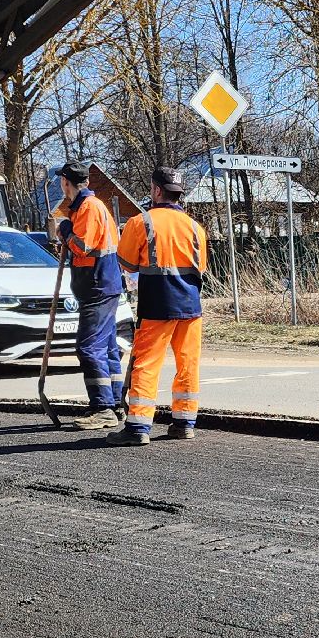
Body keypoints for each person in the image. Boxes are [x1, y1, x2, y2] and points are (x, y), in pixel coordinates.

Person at [110, 167, 208, 447]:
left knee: (146, 364)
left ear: (156, 190)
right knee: (187, 364)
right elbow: (200, 267)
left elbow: (127, 263)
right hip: (190, 306)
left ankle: (137, 427)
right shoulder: (195, 227)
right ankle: (184, 423)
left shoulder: (141, 223)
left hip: (156, 304)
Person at [55, 163, 124, 429]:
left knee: (89, 347)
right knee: (106, 348)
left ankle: (103, 408)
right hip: (101, 285)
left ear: (66, 182)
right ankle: (115, 404)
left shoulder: (88, 208)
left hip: (98, 286)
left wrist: (65, 230)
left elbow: (82, 246)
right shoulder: (88, 207)